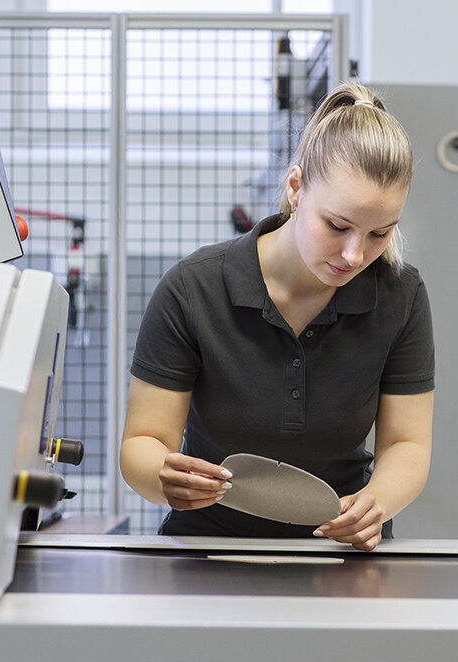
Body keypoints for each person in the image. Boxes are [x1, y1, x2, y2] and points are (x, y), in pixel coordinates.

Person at [119, 82, 434, 551]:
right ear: (295, 187)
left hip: (340, 554)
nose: (354, 254)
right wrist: (163, 477)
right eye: (337, 226)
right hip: (207, 551)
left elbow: (407, 445)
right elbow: (142, 442)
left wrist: (377, 501)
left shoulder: (400, 297)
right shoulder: (194, 289)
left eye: (379, 233)